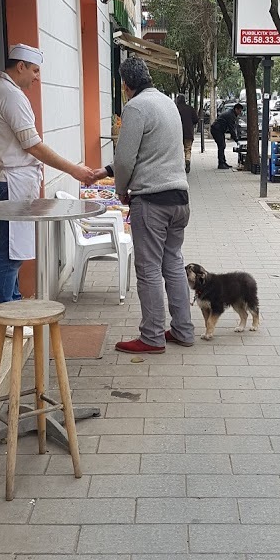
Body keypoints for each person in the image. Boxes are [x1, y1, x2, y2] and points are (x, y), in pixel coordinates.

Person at [0, 43, 95, 333]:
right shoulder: (11, 96)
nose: (37, 77)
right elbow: (33, 146)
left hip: (3, 175)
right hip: (12, 180)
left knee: (11, 244)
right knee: (11, 250)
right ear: (20, 67)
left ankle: (11, 304)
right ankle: (2, 316)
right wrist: (74, 169)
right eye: (35, 70)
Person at [113, 57, 195, 355]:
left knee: (147, 269)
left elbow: (125, 159)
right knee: (172, 263)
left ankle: (151, 336)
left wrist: (121, 190)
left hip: (152, 201)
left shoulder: (135, 107)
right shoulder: (167, 103)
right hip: (180, 199)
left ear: (125, 85)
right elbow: (154, 152)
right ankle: (184, 330)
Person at [210, 103, 243, 169]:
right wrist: (236, 139)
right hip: (217, 130)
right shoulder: (230, 115)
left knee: (222, 145)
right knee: (221, 146)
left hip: (219, 130)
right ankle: (221, 164)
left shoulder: (231, 113)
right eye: (239, 111)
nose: (240, 112)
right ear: (236, 109)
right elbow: (231, 129)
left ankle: (223, 162)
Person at [175, 94, 199, 173]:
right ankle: (187, 160)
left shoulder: (175, 109)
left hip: (177, 133)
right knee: (187, 149)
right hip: (188, 132)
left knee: (178, 149)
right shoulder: (190, 108)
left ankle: (178, 165)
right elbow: (196, 119)